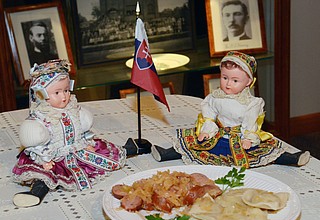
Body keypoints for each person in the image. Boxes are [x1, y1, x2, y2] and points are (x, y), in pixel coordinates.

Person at [151, 51, 310, 168]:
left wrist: (248, 138)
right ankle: (167, 153)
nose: (228, 84)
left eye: (235, 80)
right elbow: (209, 116)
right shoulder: (215, 97)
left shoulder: (251, 103)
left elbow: (250, 124)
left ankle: (292, 158)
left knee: (264, 151)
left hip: (239, 137)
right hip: (217, 134)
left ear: (248, 81)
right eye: (224, 78)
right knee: (192, 142)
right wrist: (207, 130)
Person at [12, 59, 126, 208]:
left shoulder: (72, 108)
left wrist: (85, 143)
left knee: (105, 151)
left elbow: (80, 130)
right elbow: (36, 142)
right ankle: (36, 193)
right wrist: (44, 159)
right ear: (41, 94)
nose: (64, 97)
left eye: (66, 90)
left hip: (76, 149)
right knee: (46, 176)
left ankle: (130, 147)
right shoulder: (43, 116)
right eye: (57, 93)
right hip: (54, 156)